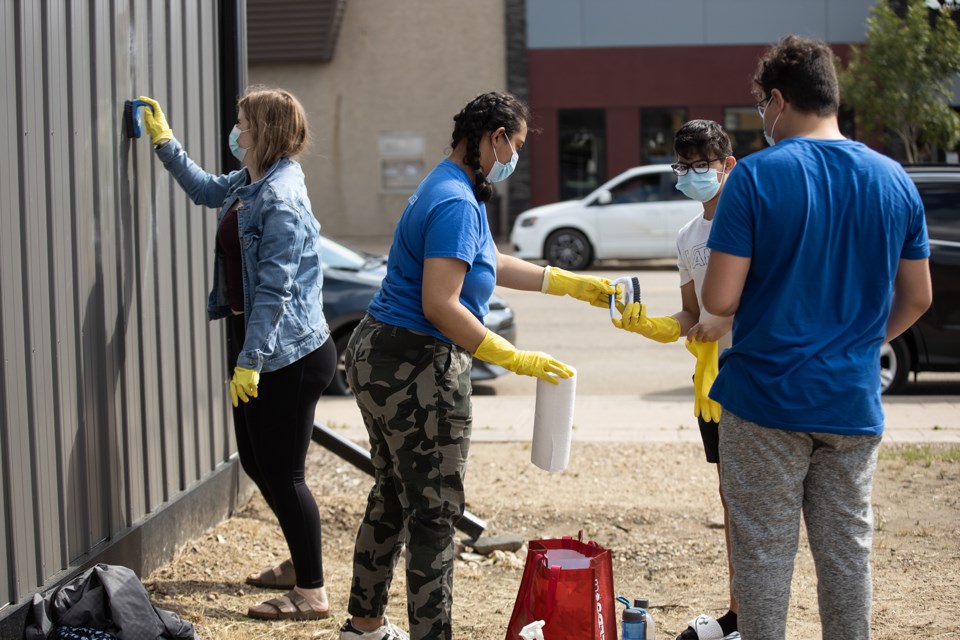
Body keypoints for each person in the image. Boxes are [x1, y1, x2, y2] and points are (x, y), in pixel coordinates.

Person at [339, 91, 615, 640]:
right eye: (514, 142)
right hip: (415, 365)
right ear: (493, 138)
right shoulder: (456, 200)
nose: (514, 155)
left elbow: (488, 259)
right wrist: (511, 356)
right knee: (435, 514)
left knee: (392, 493)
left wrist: (567, 284)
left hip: (380, 354)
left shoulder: (449, 186)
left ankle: (364, 626)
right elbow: (441, 304)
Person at [700, 36, 932, 639]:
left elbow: (719, 300)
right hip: (851, 400)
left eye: (761, 103)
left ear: (778, 100)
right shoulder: (893, 179)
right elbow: (918, 297)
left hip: (764, 400)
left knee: (763, 559)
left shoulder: (753, 177)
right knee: (847, 555)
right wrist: (855, 341)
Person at [137, 88, 338, 621]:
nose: (236, 129)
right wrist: (165, 142)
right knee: (257, 461)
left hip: (286, 354)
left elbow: (275, 289)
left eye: (242, 122)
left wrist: (251, 359)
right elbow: (206, 190)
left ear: (264, 130)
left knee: (285, 472)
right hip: (262, 346)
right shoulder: (254, 181)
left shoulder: (280, 198)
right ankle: (301, 561)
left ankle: (312, 592)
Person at [614, 119, 740, 640]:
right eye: (682, 166)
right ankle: (739, 614)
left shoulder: (752, 220)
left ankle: (754, 616)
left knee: (758, 505)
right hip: (710, 388)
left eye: (701, 165)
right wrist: (648, 324)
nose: (690, 175)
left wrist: (727, 323)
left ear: (727, 165)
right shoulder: (689, 235)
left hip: (755, 380)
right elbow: (692, 315)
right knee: (731, 501)